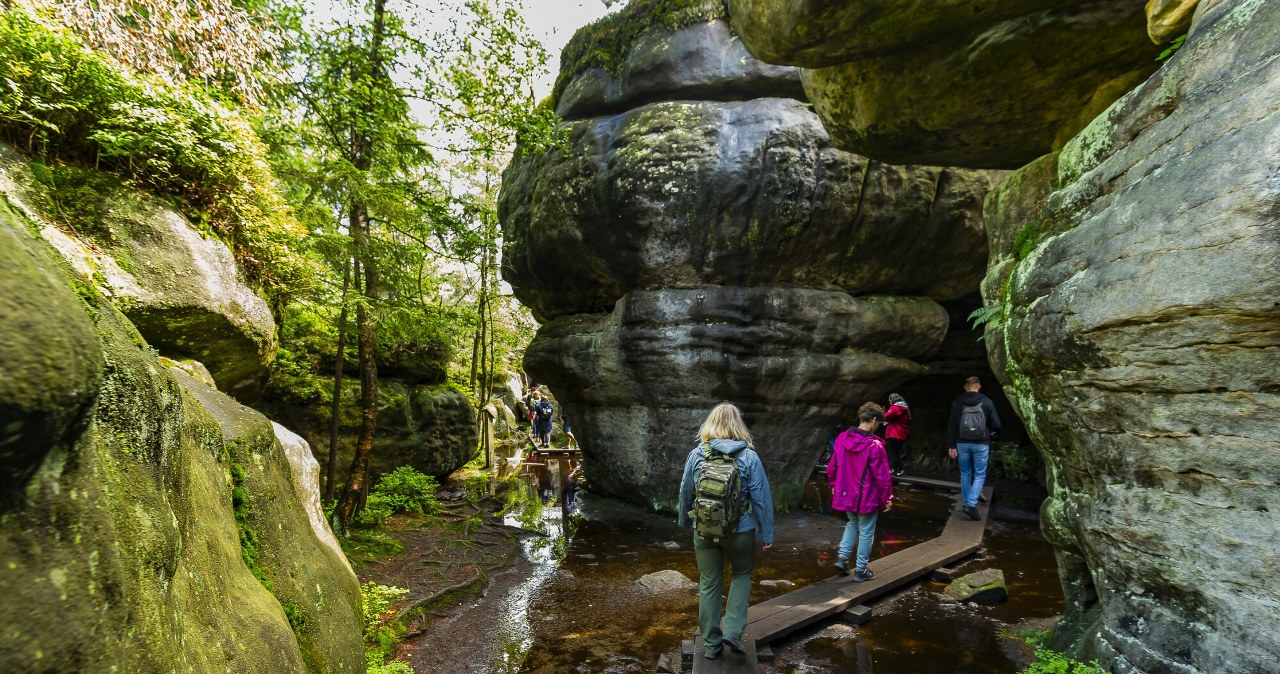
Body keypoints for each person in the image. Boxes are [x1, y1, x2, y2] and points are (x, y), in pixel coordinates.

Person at [677, 403, 774, 661]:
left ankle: (711, 645)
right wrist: (766, 534)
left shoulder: (697, 454)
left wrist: (685, 520)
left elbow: (686, 490)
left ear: (709, 424)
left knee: (709, 583)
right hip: (740, 530)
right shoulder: (749, 457)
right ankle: (732, 631)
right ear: (738, 425)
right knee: (742, 574)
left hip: (705, 530)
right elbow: (762, 499)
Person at [827, 402, 894, 582]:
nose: (878, 427)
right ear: (873, 420)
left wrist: (833, 483)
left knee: (852, 523)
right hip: (867, 496)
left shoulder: (842, 438)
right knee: (866, 531)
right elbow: (882, 476)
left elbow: (833, 465)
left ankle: (842, 558)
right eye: (878, 423)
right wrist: (887, 497)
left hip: (846, 492)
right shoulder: (874, 445)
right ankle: (861, 570)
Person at [946, 376, 1002, 520]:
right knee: (979, 474)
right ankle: (971, 504)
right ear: (979, 386)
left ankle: (966, 503)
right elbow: (996, 424)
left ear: (965, 387)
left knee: (965, 473)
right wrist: (993, 432)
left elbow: (952, 425)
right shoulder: (987, 402)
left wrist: (951, 445)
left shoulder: (957, 402)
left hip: (961, 442)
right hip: (981, 443)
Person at [884, 393, 911, 477]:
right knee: (896, 452)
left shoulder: (895, 408)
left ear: (893, 400)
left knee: (894, 453)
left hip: (894, 433)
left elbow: (886, 416)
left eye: (890, 400)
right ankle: (896, 469)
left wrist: (883, 413)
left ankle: (898, 470)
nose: (889, 403)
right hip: (900, 433)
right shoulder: (904, 408)